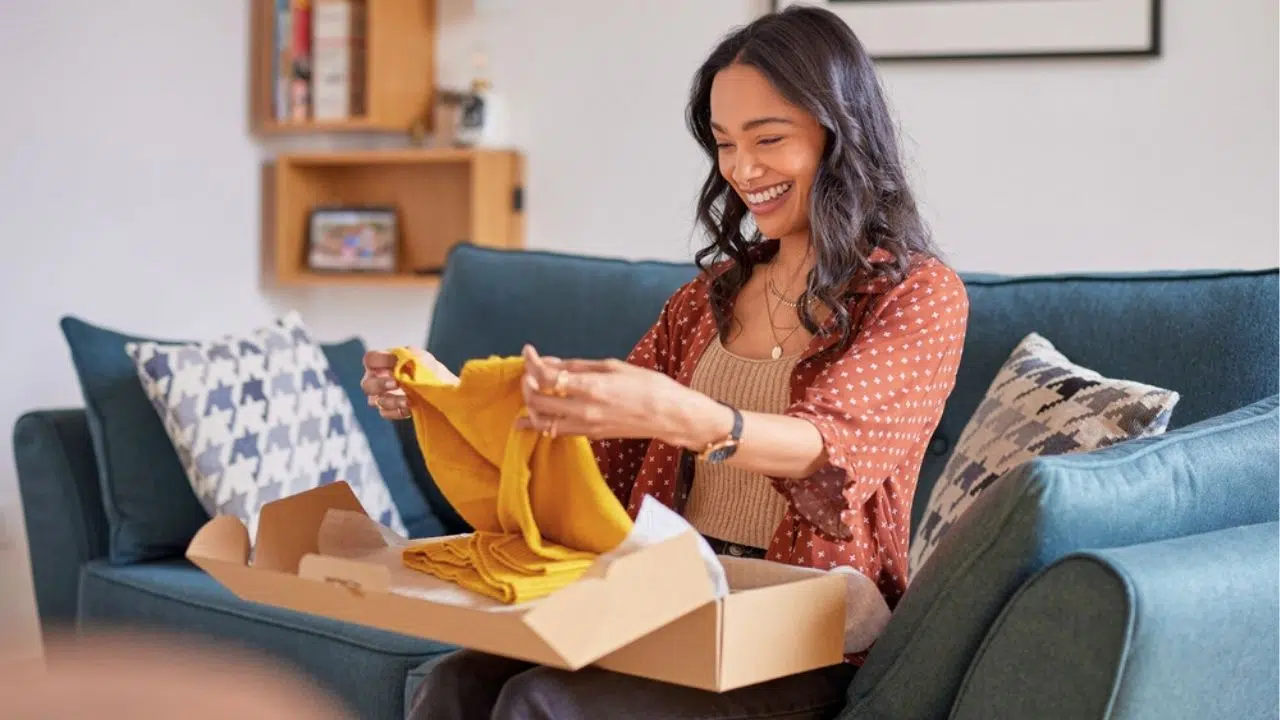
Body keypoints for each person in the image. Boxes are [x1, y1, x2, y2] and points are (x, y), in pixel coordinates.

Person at [362, 6, 969, 719]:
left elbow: (830, 446)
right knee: (453, 684)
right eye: (724, 143)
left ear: (839, 135)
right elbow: (595, 449)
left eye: (768, 139)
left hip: (803, 636)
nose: (743, 169)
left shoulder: (917, 294)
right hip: (669, 601)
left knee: (542, 703)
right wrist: (442, 397)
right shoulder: (706, 298)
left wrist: (684, 415)